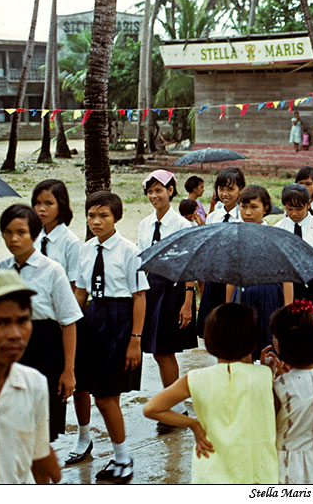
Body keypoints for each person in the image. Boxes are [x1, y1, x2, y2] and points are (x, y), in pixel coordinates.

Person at [143, 303, 279, 484]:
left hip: (211, 474)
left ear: (210, 340)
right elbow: (277, 411)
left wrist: (193, 424)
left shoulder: (197, 378)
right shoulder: (264, 375)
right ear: (252, 341)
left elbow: (152, 409)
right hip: (257, 474)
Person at [72, 191, 149, 483]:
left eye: (103, 215)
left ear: (117, 217)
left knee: (106, 397)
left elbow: (139, 296)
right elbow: (81, 292)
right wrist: (71, 324)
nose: (96, 221)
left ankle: (124, 458)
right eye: (91, 215)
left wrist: (135, 339)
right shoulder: (86, 249)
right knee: (90, 389)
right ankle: (118, 456)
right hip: (93, 318)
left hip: (120, 320)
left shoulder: (130, 250)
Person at [0, 204, 82, 444]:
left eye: (21, 232)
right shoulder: (2, 270)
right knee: (9, 431)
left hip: (46, 354)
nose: (14, 239)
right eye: (8, 232)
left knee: (41, 437)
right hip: (11, 354)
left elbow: (68, 322)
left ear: (34, 234)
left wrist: (68, 371)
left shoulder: (52, 271)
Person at [138, 170, 198, 435]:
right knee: (158, 351)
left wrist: (188, 302)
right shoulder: (144, 224)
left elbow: (189, 265)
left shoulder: (182, 225)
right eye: (150, 191)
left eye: (159, 190)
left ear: (171, 191)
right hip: (152, 289)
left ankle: (177, 408)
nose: (154, 196)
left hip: (174, 290)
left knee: (165, 350)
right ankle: (176, 405)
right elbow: (141, 261)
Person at [0, 269, 61, 484]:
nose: (15, 334)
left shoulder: (34, 383)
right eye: (1, 323)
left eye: (22, 321)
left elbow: (39, 454)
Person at [261, 301, 313, 484]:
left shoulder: (279, 386)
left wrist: (268, 376)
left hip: (289, 466)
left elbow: (267, 426)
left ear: (280, 345)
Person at [226, 186, 292, 357]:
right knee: (242, 348)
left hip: (269, 296)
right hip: (242, 295)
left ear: (266, 209)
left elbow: (287, 277)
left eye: (253, 207)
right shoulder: (234, 237)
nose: (247, 212)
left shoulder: (276, 236)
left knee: (271, 349)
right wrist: (228, 308)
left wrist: (288, 309)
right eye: (243, 206)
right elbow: (231, 277)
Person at [274, 184, 313, 361]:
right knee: (291, 337)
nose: (294, 213)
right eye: (289, 209)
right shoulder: (279, 228)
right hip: (288, 287)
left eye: (298, 209)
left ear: (308, 204)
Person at [197, 168, 244, 337]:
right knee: (214, 331)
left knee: (234, 330)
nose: (225, 194)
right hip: (215, 277)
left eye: (230, 189)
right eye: (221, 189)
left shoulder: (243, 217)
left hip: (236, 278)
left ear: (241, 190)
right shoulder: (213, 217)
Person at [31, 179, 82, 289]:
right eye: (37, 203)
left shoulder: (71, 243)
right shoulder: (34, 238)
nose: (41, 209)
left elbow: (75, 285)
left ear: (61, 205)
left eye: (49, 203)